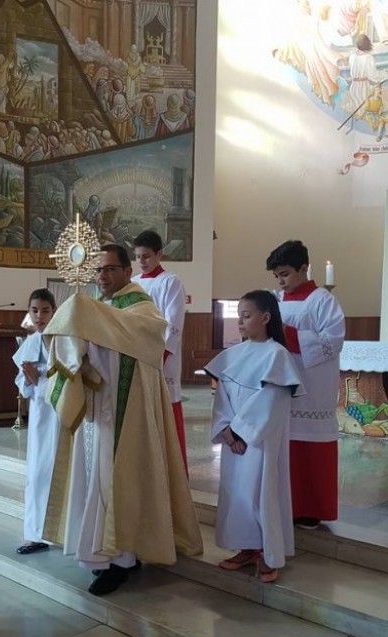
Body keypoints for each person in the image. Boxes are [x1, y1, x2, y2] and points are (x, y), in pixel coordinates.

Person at [42, 244, 202, 596]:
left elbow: (142, 346)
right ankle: (100, 552)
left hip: (127, 412)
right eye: (99, 270)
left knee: (122, 479)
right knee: (96, 479)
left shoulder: (142, 308)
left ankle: (122, 560)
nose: (103, 275)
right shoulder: (98, 307)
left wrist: (91, 331)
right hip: (98, 411)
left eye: (110, 269)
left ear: (128, 272)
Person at [206, 291, 304, 584]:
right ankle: (246, 548)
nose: (240, 321)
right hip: (234, 442)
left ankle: (267, 553)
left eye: (246, 316)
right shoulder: (233, 355)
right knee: (236, 493)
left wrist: (240, 431)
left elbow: (272, 400)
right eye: (239, 316)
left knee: (259, 493)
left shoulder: (277, 355)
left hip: (260, 441)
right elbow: (222, 396)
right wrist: (226, 430)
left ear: (265, 318)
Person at [266, 240, 345, 529]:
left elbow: (332, 341)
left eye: (285, 274)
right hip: (282, 384)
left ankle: (311, 508)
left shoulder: (322, 300)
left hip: (312, 387)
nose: (281, 281)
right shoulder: (275, 301)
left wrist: (287, 334)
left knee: (310, 449)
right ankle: (285, 503)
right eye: (277, 276)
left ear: (303, 268)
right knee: (283, 446)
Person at [132, 230, 188, 472]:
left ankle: (171, 473)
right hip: (136, 356)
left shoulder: (171, 282)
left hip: (161, 359)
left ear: (159, 254)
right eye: (138, 257)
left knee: (166, 414)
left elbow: (173, 324)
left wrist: (158, 357)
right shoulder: (132, 283)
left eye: (146, 256)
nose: (142, 261)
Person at [13, 288, 60, 555]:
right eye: (34, 310)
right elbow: (22, 381)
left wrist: (38, 378)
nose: (39, 316)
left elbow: (70, 376)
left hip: (62, 415)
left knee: (58, 471)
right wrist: (31, 379)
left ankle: (62, 532)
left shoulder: (63, 340)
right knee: (37, 473)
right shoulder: (32, 341)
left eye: (45, 310)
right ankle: (36, 533)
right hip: (41, 416)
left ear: (54, 311)